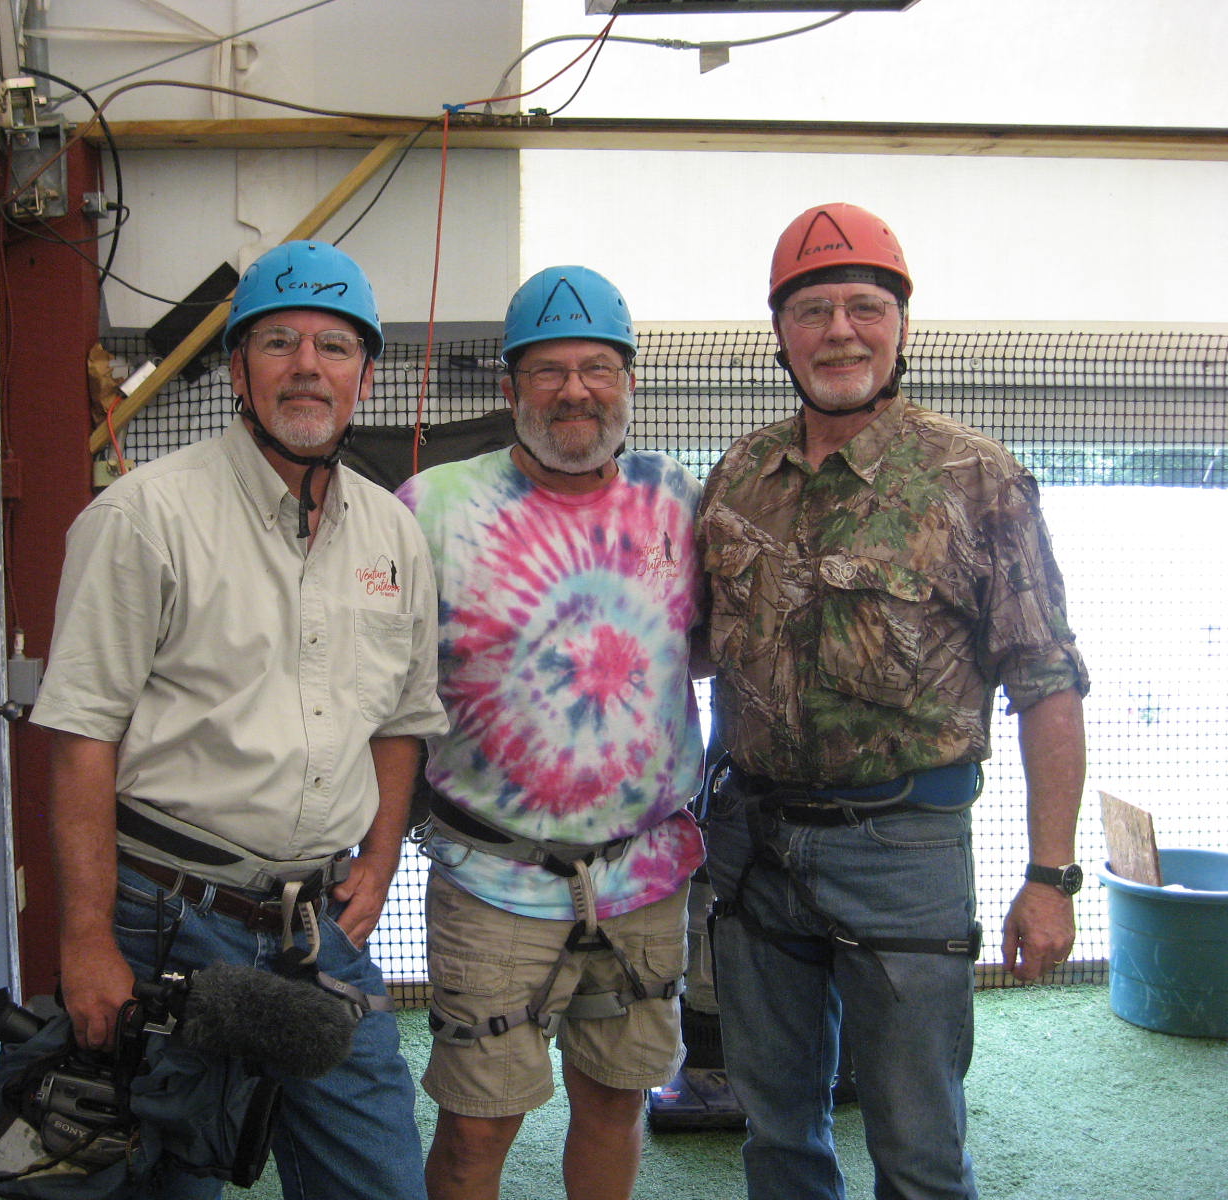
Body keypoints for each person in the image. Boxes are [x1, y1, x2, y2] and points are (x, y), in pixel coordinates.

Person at [29, 239, 448, 1200]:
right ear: (238, 372)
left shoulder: (395, 535)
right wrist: (85, 938)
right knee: (164, 1183)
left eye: (336, 347)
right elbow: (82, 736)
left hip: (320, 932)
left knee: (379, 1182)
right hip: (165, 921)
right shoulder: (143, 520)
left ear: (365, 380)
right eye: (279, 342)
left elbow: (402, 722)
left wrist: (380, 862)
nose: (309, 366)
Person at [696, 202, 1090, 1200]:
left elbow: (1045, 681)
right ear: (779, 333)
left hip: (905, 845)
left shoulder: (977, 479)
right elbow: (689, 649)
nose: (839, 332)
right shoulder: (739, 474)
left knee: (916, 1146)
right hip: (752, 843)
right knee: (777, 1132)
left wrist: (1052, 875)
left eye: (863, 307)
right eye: (812, 310)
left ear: (901, 325)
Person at [397, 265, 708, 1200]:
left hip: (645, 880)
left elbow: (697, 652)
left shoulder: (678, 503)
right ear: (509, 389)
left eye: (599, 368)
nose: (576, 389)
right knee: (476, 1127)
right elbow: (389, 694)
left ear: (631, 382)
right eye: (548, 370)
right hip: (494, 882)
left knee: (616, 1103)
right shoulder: (433, 508)